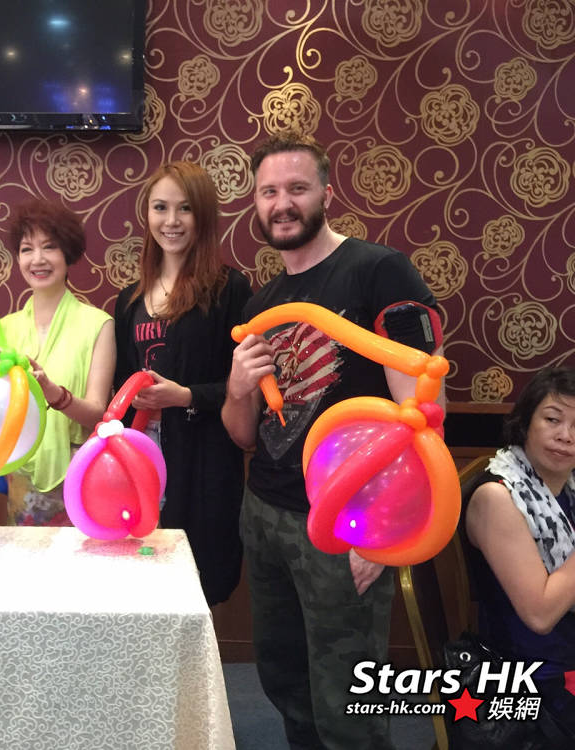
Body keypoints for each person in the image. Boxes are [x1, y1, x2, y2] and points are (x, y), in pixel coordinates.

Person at [221, 131, 440, 749]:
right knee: (283, 682)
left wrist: (383, 533)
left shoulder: (378, 270)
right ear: (256, 203)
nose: (282, 204)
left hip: (345, 521)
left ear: (325, 193)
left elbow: (422, 411)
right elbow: (244, 434)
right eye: (268, 192)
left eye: (296, 188)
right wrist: (237, 386)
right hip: (265, 513)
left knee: (348, 705)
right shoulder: (265, 300)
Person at [114, 161, 251, 606]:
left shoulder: (230, 289)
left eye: (185, 208)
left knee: (200, 582)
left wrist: (186, 396)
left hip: (204, 459)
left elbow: (244, 386)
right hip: (143, 460)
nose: (171, 221)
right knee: (142, 581)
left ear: (203, 216)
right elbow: (120, 384)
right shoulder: (129, 300)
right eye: (160, 208)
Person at [462, 368, 575, 743]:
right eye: (553, 419)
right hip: (534, 676)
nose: (566, 436)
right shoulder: (498, 496)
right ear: (526, 423)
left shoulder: (566, 484)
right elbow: (539, 615)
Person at [0, 198, 115, 525]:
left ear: (67, 252)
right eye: (27, 249)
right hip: (21, 477)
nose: (37, 259)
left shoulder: (99, 324)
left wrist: (54, 393)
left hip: (81, 476)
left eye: (49, 246)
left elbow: (98, 414)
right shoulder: (4, 329)